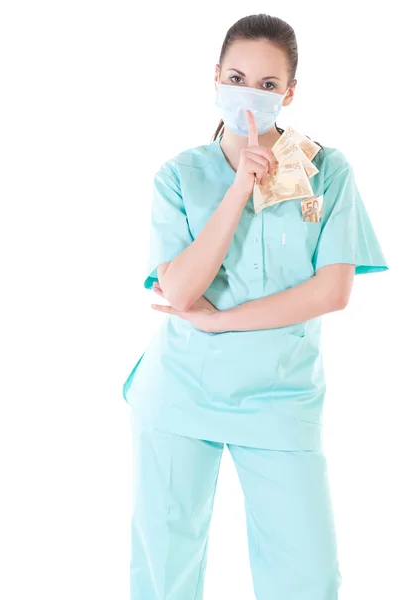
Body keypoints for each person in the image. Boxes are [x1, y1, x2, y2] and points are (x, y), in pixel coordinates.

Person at [122, 13, 388, 600]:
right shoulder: (178, 176)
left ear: (289, 94)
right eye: (237, 77)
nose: (251, 93)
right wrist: (240, 185)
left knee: (308, 578)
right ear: (215, 78)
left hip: (280, 396)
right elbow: (182, 292)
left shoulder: (328, 171)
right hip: (180, 392)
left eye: (268, 85)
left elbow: (333, 291)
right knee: (164, 574)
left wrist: (222, 322)